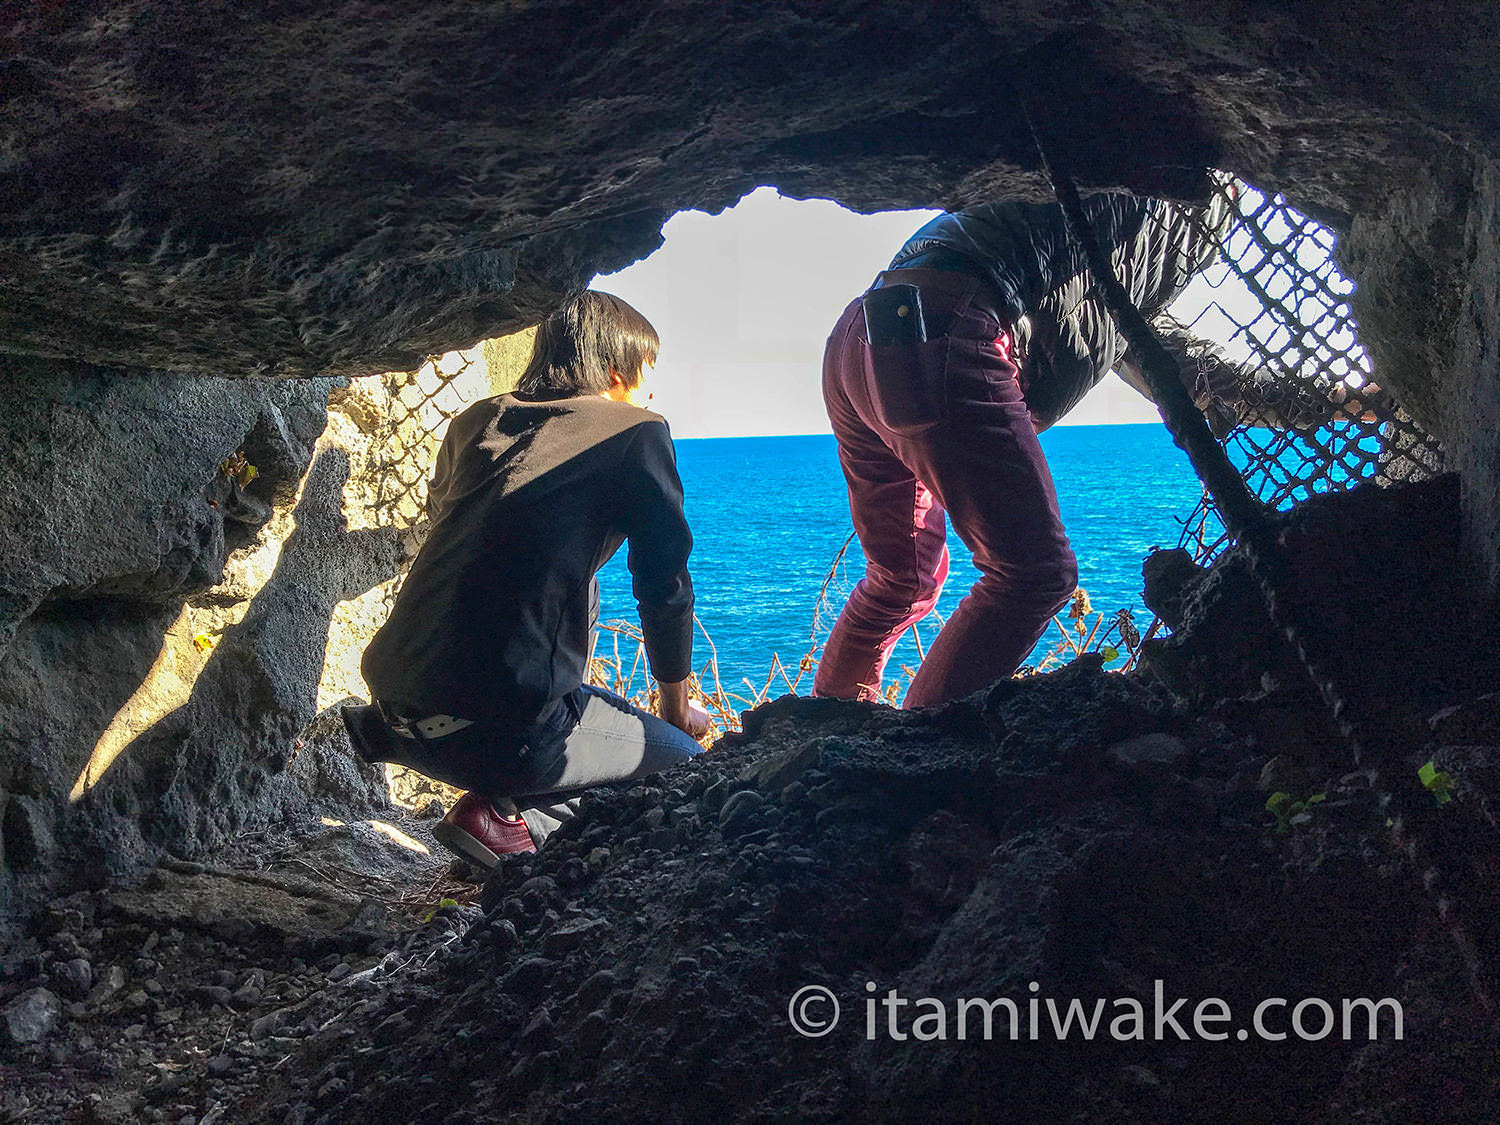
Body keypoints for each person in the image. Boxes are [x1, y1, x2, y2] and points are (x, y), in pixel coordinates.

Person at [814, 190, 1324, 709]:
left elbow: (1170, 362)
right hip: (950, 329)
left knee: (901, 576)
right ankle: (912, 759)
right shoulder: (1168, 194)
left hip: (862, 335)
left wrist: (1336, 403)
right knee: (1032, 576)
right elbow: (1190, 374)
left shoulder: (1093, 230)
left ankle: (821, 734)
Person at [343, 291, 708, 866]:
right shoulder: (635, 432)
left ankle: (502, 792)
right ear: (615, 376)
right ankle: (512, 818)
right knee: (685, 763)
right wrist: (675, 705)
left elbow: (459, 529)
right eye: (646, 379)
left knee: (576, 586)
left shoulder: (476, 421)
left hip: (392, 711)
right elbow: (663, 584)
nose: (651, 396)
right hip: (498, 737)